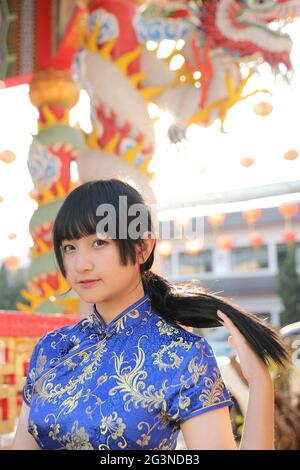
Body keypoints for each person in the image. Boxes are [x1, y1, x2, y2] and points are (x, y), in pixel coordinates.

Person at [12, 179, 289, 450]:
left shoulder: (182, 356)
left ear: (142, 247)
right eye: (69, 248)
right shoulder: (53, 348)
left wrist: (260, 384)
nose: (80, 264)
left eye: (98, 243)